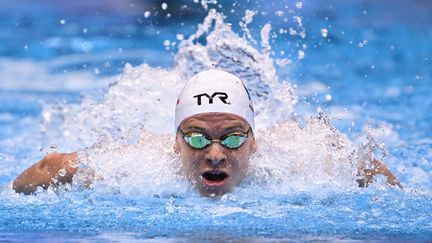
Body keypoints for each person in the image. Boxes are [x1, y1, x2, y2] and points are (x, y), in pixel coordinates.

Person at [12, 70, 402, 196]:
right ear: (175, 142)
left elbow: (363, 167)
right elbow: (51, 166)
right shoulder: (137, 170)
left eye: (232, 137)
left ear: (254, 141)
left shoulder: (297, 162)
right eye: (197, 137)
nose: (215, 153)